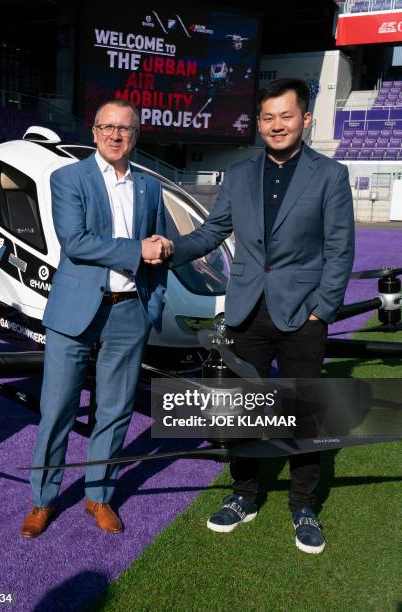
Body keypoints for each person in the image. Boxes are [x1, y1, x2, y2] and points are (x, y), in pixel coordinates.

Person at [154, 78, 355, 553]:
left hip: (301, 316)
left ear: (305, 119)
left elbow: (339, 249)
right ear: (258, 123)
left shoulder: (329, 174)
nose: (277, 125)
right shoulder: (240, 175)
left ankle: (303, 505)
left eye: (286, 116)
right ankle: (244, 495)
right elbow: (211, 232)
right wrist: (170, 250)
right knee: (240, 412)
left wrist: (321, 311)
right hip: (246, 312)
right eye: (268, 117)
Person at [20, 99, 170, 537]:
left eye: (124, 128)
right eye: (107, 126)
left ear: (136, 135)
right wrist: (136, 250)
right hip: (75, 314)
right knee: (57, 410)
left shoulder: (150, 187)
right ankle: (43, 500)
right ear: (94, 132)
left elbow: (160, 250)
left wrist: (151, 307)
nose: (115, 135)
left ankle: (98, 496)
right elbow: (77, 242)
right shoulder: (69, 177)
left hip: (129, 313)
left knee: (116, 410)